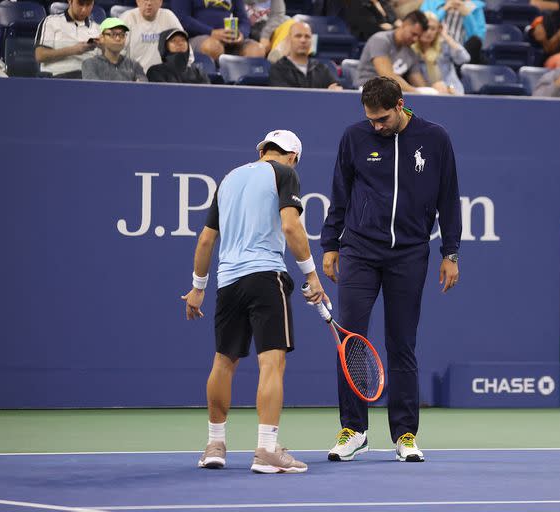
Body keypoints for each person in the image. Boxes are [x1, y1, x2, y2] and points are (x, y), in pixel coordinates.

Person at [320, 77, 461, 463]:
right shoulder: (355, 137)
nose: (376, 127)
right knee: (351, 340)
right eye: (370, 120)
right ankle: (354, 429)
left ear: (400, 105)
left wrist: (451, 253)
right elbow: (340, 194)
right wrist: (330, 244)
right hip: (360, 251)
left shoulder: (435, 138)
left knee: (402, 344)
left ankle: (405, 434)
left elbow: (449, 197)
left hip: (410, 255)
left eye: (382, 119)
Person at [183, 129, 329, 474]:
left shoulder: (230, 178)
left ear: (263, 150)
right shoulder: (286, 173)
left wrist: (197, 287)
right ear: (292, 157)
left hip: (228, 282)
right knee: (271, 364)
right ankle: (266, 450)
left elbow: (206, 241)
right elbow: (292, 228)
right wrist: (311, 275)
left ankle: (214, 445)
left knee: (223, 362)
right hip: (266, 278)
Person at [355, 10, 429, 91]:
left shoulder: (411, 53)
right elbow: (387, 76)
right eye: (413, 34)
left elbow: (419, 83)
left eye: (418, 36)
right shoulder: (380, 40)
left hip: (392, 94)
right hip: (367, 91)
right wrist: (414, 92)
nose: (415, 39)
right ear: (404, 25)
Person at [172, 0, 263, 61]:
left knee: (257, 50)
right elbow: (182, 18)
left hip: (231, 40)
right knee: (213, 47)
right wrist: (211, 32)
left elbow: (244, 20)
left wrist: (241, 34)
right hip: (198, 38)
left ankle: (242, 88)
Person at [120, 0, 193, 73]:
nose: (149, 3)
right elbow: (118, 57)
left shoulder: (168, 17)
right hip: (135, 79)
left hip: (165, 79)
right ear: (138, 1)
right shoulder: (128, 18)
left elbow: (187, 53)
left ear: (160, 2)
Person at [34, 0, 101, 78]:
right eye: (80, 4)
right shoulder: (51, 21)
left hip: (88, 79)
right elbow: (40, 55)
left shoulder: (97, 28)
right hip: (57, 78)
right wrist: (74, 50)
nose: (84, 9)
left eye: (88, 5)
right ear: (70, 1)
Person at [268, 21, 343, 89]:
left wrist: (336, 89)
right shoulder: (278, 69)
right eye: (298, 36)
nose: (303, 40)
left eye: (307, 36)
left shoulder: (321, 68)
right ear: (289, 39)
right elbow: (286, 99)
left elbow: (336, 89)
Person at [412, 10, 470, 94]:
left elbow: (464, 58)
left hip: (452, 91)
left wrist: (446, 36)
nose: (429, 32)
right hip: (425, 94)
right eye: (426, 28)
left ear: (438, 31)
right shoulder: (411, 51)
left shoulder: (444, 46)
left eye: (433, 29)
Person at [419, 0, 486, 64]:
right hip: (434, 49)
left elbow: (477, 40)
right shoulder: (431, 2)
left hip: (461, 54)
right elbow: (423, 26)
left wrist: (467, 16)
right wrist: (444, 9)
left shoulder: (474, 6)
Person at [82, 18, 147, 81]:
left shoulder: (134, 65)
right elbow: (94, 89)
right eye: (113, 34)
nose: (118, 38)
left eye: (122, 35)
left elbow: (143, 88)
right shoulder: (90, 64)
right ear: (102, 38)